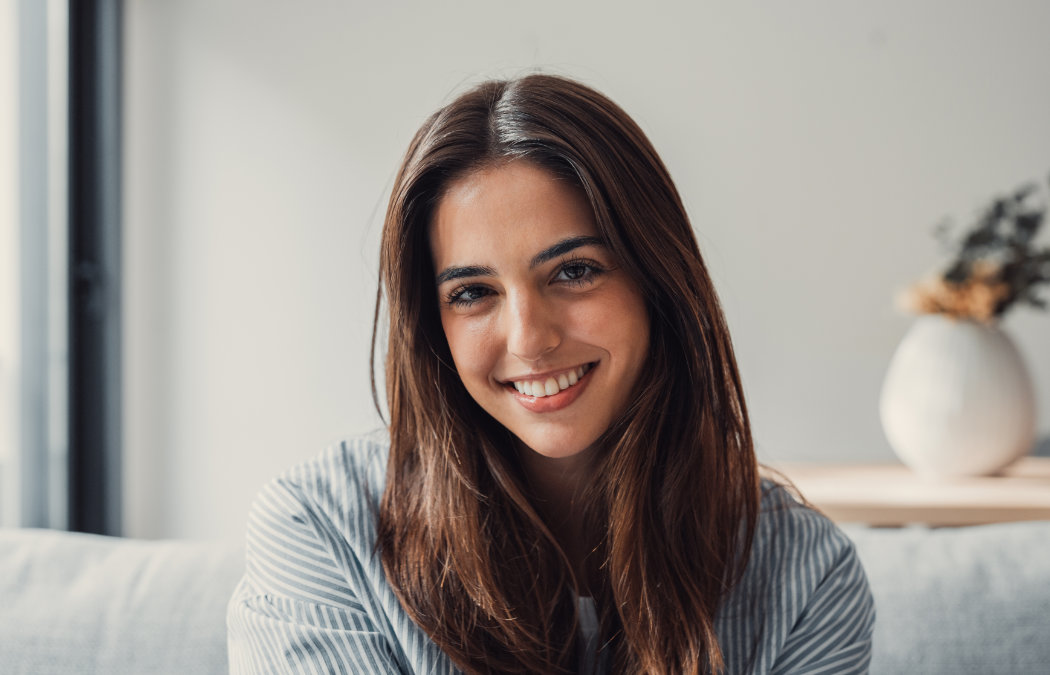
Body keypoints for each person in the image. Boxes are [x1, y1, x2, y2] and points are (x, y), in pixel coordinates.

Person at [227, 73, 875, 675]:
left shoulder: (804, 574)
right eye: (473, 292)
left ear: (657, 281)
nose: (531, 338)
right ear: (433, 326)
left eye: (574, 271)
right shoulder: (319, 532)